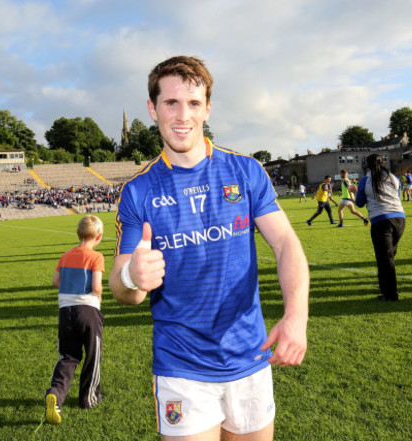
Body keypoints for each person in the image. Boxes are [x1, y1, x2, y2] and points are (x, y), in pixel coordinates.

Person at [108, 56, 309, 440]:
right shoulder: (138, 191)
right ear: (153, 109)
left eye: (194, 103)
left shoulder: (245, 171)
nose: (183, 115)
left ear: (207, 108)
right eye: (171, 103)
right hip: (181, 367)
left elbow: (285, 244)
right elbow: (122, 289)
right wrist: (133, 275)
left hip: (250, 358)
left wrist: (296, 316)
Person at [45, 215, 106, 424]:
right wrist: (99, 294)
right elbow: (97, 286)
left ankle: (56, 393)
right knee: (92, 354)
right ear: (98, 237)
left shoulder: (65, 255)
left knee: (68, 356)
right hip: (87, 310)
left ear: (78, 233)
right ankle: (89, 398)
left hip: (66, 311)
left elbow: (55, 281)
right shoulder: (96, 256)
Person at [355, 154, 406, 301]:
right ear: (383, 163)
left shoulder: (366, 180)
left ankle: (390, 295)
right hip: (400, 218)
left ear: (368, 166)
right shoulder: (393, 178)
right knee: (389, 256)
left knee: (385, 259)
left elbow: (359, 203)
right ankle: (387, 288)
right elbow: (397, 195)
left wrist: (355, 190)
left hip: (381, 220)